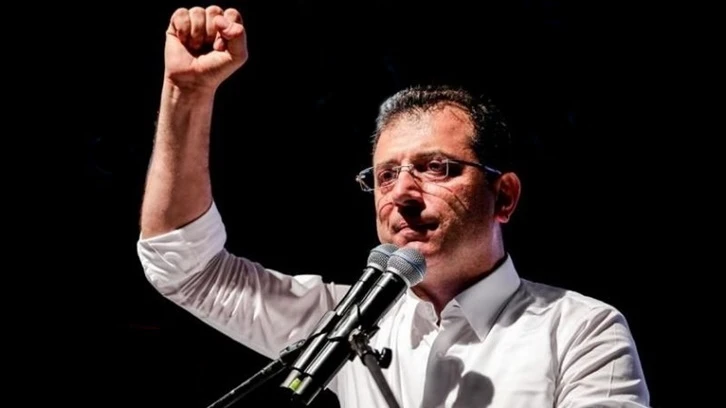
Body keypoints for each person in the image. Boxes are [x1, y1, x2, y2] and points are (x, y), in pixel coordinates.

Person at [136, 5, 650, 408]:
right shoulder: (340, 325)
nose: (401, 193)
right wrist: (187, 93)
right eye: (384, 176)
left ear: (505, 197)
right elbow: (183, 267)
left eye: (436, 168)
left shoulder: (580, 330)